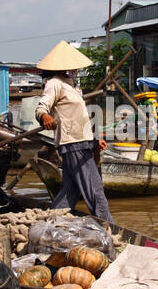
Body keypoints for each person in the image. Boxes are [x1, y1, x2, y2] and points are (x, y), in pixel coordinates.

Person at [35, 41, 112, 221]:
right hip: (72, 144)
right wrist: (44, 117)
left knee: (70, 190)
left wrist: (93, 141)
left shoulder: (72, 85)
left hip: (81, 142)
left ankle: (53, 220)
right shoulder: (54, 83)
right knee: (95, 189)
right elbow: (41, 108)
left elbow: (77, 118)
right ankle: (107, 226)